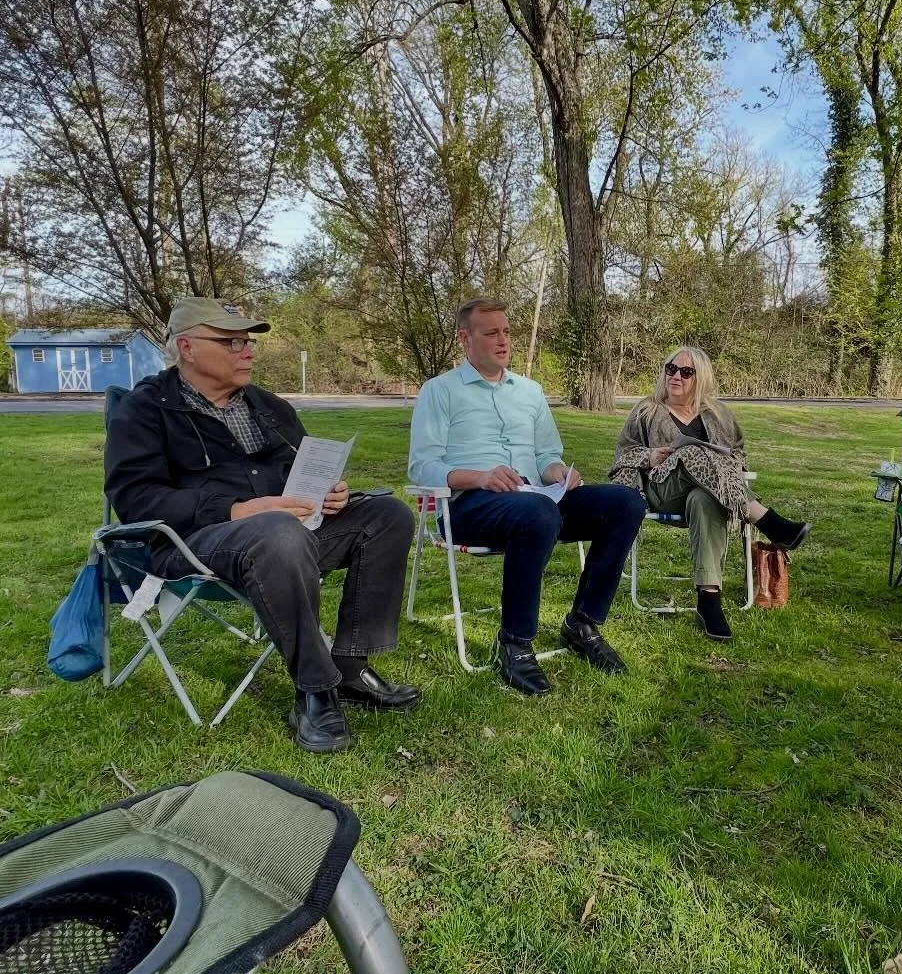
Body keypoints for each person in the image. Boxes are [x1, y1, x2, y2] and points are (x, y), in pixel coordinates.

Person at [104, 298, 420, 754]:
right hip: (192, 544)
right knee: (276, 533)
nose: (247, 350)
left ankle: (350, 667)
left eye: (248, 342)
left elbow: (300, 472)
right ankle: (315, 688)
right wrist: (236, 510)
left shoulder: (270, 407)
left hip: (287, 535)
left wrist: (328, 494)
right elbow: (136, 499)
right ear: (187, 348)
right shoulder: (145, 410)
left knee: (388, 516)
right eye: (231, 342)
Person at [408, 299, 647, 694]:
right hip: (469, 506)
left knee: (626, 502)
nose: (503, 340)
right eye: (491, 333)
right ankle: (515, 644)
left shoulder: (530, 392)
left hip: (537, 499)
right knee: (537, 511)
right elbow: (421, 467)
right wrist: (481, 477)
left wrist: (559, 473)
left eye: (506, 331)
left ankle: (583, 624)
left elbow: (546, 456)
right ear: (465, 338)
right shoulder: (440, 391)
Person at [609, 346, 811, 641]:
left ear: (700, 377)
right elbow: (621, 456)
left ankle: (709, 599)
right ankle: (766, 519)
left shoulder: (718, 414)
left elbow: (737, 454)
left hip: (709, 494)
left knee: (705, 499)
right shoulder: (646, 410)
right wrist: (650, 456)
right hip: (662, 489)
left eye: (685, 372)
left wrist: (726, 462)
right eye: (671, 369)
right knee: (691, 451)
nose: (676, 376)